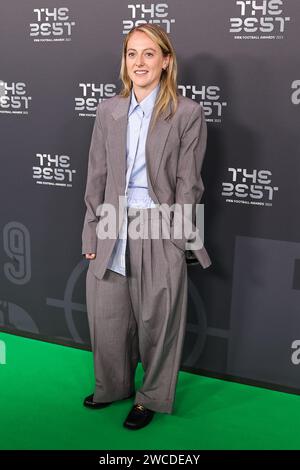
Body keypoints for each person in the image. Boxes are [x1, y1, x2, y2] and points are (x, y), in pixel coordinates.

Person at [81, 23, 212, 430]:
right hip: (112, 223)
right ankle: (113, 386)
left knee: (159, 321)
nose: (139, 61)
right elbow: (96, 176)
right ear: (124, 62)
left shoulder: (186, 113)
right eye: (132, 53)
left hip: (160, 225)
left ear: (166, 61)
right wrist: (92, 231)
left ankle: (151, 396)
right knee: (108, 317)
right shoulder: (107, 110)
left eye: (149, 53)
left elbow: (188, 184)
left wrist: (180, 240)